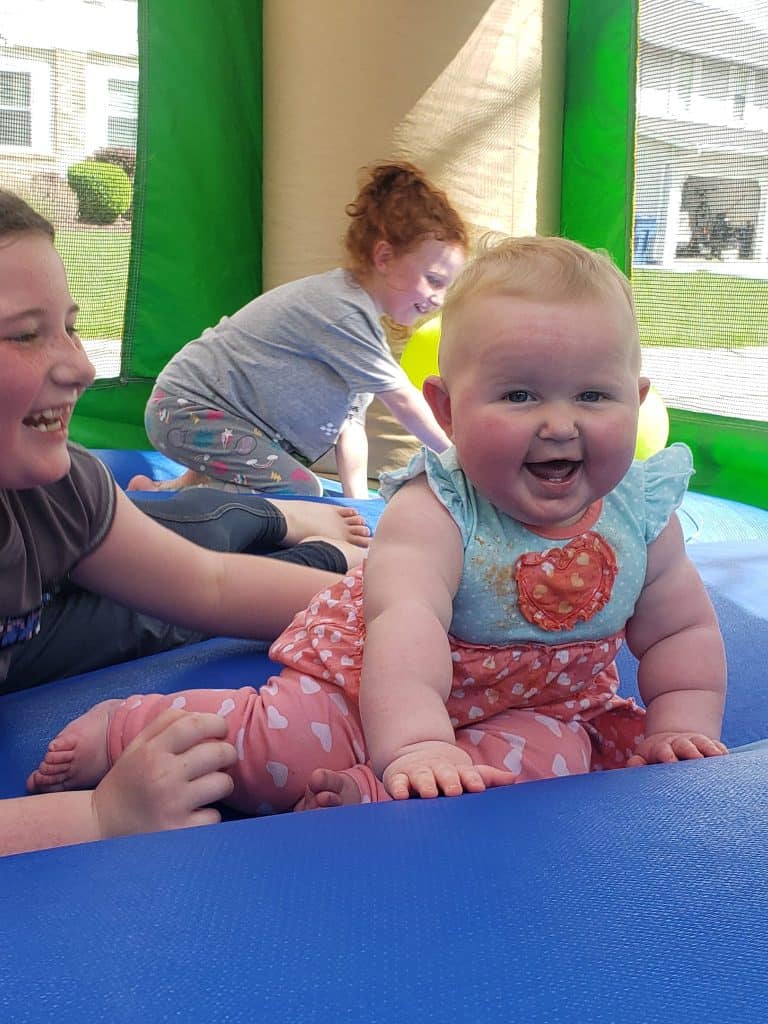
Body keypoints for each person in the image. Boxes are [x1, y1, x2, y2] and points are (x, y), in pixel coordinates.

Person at [30, 236, 729, 820]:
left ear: (637, 401)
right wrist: (417, 746)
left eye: (593, 395)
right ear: (447, 411)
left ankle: (364, 796)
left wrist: (681, 728)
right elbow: (406, 624)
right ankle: (132, 728)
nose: (558, 423)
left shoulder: (641, 514)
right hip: (373, 685)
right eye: (518, 395)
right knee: (278, 752)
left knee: (558, 768)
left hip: (536, 707)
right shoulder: (440, 510)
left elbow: (680, 631)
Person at [0, 189, 371, 855]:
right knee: (138, 623)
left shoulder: (56, 486)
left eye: (72, 326)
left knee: (191, 537)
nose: (82, 366)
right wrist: (99, 818)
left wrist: (403, 609)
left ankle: (278, 517)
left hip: (53, 588)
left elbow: (209, 585)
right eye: (26, 334)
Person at [126, 161, 468, 499]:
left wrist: (358, 505)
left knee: (277, 471)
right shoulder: (342, 312)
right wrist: (457, 458)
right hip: (187, 410)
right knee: (300, 489)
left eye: (446, 287)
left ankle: (158, 493)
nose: (438, 299)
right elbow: (404, 401)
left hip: (211, 416)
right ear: (384, 257)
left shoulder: (359, 328)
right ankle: (173, 509)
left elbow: (349, 427)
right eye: (433, 280)